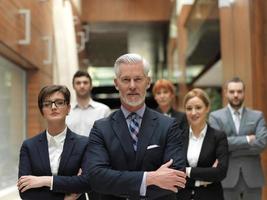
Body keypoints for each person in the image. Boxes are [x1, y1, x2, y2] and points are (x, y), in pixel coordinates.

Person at [86, 53, 186, 199]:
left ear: (148, 82)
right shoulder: (101, 128)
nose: (132, 86)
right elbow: (96, 178)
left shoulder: (169, 126)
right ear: (116, 83)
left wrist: (119, 183)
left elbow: (176, 178)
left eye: (138, 79)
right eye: (126, 79)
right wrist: (149, 178)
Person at [17, 85, 89, 200]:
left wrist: (45, 181)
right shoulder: (29, 146)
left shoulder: (84, 144)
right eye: (47, 104)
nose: (54, 107)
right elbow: (24, 191)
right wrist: (66, 197)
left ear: (68, 108)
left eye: (59, 102)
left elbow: (86, 182)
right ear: (42, 111)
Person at [209, 77, 267, 200]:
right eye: (232, 91)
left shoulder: (257, 116)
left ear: (244, 92)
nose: (236, 95)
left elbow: (262, 143)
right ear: (226, 93)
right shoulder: (215, 117)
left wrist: (230, 149)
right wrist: (247, 139)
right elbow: (217, 144)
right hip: (226, 178)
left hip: (253, 178)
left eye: (239, 91)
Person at [176, 88, 229, 200]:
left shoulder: (218, 137)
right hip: (182, 195)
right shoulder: (177, 137)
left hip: (211, 196)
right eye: (189, 108)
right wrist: (208, 174)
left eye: (198, 107)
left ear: (207, 108)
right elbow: (174, 170)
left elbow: (220, 172)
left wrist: (187, 170)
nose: (193, 112)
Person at [66, 70, 111, 137]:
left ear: (91, 86)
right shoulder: (66, 111)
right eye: (78, 83)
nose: (82, 86)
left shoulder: (104, 110)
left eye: (85, 82)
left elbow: (108, 136)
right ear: (73, 86)